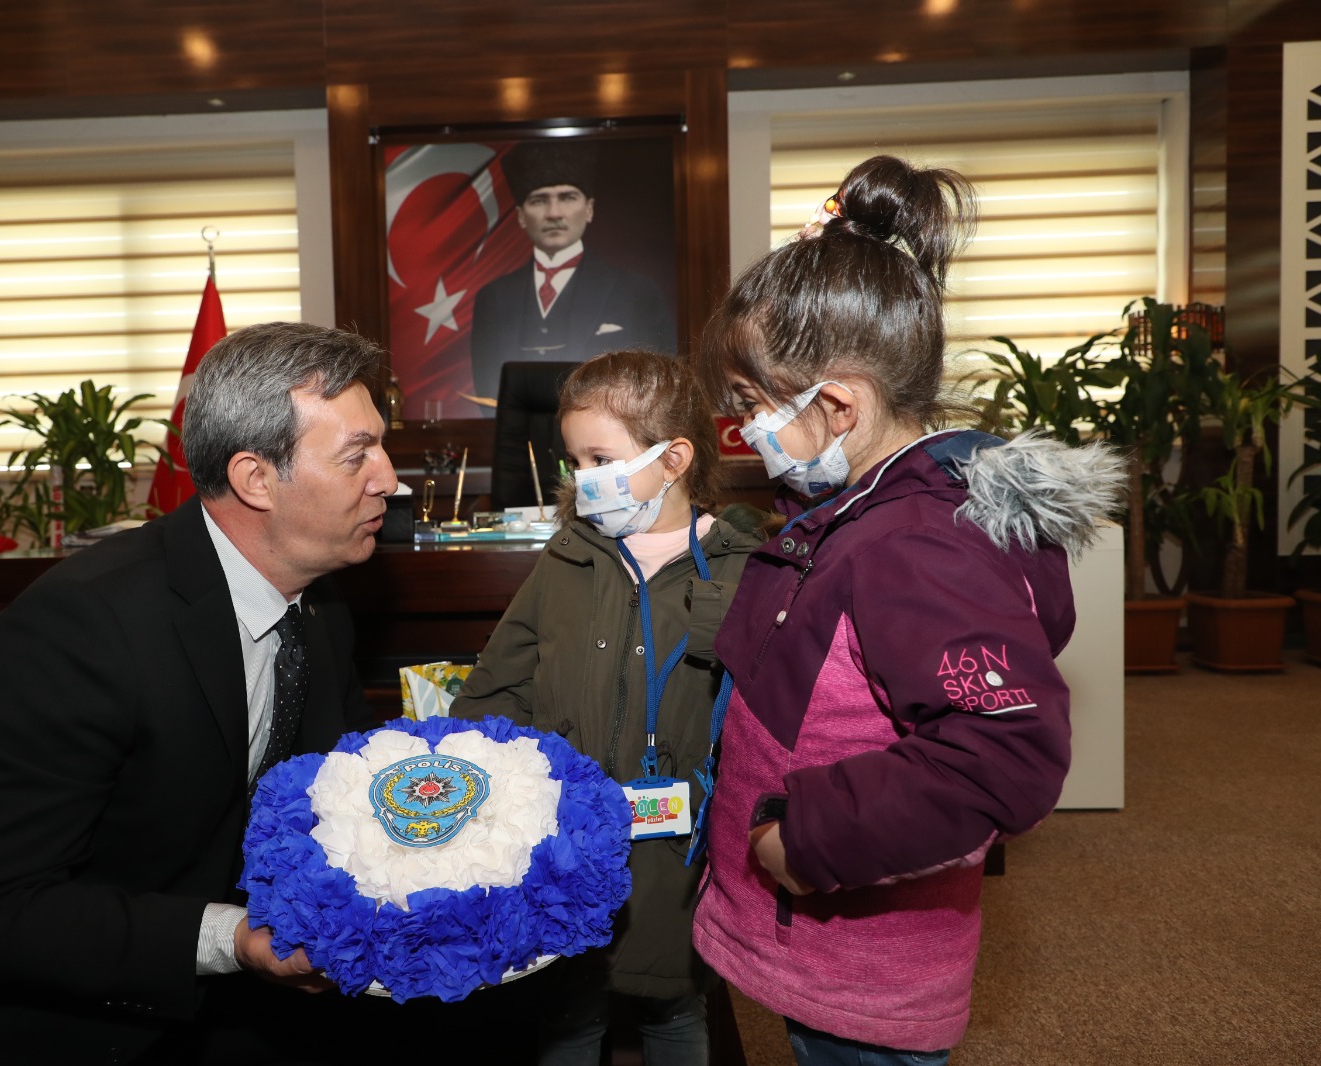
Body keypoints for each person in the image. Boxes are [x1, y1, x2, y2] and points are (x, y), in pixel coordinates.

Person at [0, 322, 393, 1065]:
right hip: (15, 1026)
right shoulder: (80, 629)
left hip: (200, 995)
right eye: (358, 456)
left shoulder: (319, 604)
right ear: (256, 480)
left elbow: (334, 793)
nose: (388, 477)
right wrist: (234, 940)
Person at [688, 156, 1125, 1064]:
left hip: (857, 961)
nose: (747, 431)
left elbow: (1000, 755)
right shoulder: (858, 510)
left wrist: (800, 842)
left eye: (754, 406)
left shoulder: (917, 548)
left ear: (837, 403)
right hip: (810, 940)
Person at [450, 349, 761, 1065]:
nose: (583, 478)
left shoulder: (745, 568)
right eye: (573, 460)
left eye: (600, 456)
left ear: (674, 456)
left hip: (678, 844)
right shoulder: (567, 557)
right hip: (561, 834)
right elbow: (498, 683)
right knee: (566, 1013)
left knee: (674, 1009)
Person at [468, 141, 677, 401]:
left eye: (567, 198)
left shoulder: (637, 292)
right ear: (521, 216)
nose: (554, 213)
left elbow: (661, 383)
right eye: (539, 200)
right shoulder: (493, 298)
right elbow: (488, 392)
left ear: (589, 209)